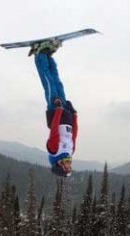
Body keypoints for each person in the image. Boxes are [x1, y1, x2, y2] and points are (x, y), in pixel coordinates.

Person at [32, 41, 78, 177]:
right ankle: (48, 57)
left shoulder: (54, 151)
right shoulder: (70, 151)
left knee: (50, 84)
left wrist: (57, 109)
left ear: (59, 165)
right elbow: (74, 134)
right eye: (70, 167)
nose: (70, 165)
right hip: (67, 116)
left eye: (67, 167)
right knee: (58, 84)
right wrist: (74, 115)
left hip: (56, 112)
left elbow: (54, 131)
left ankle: (39, 56)